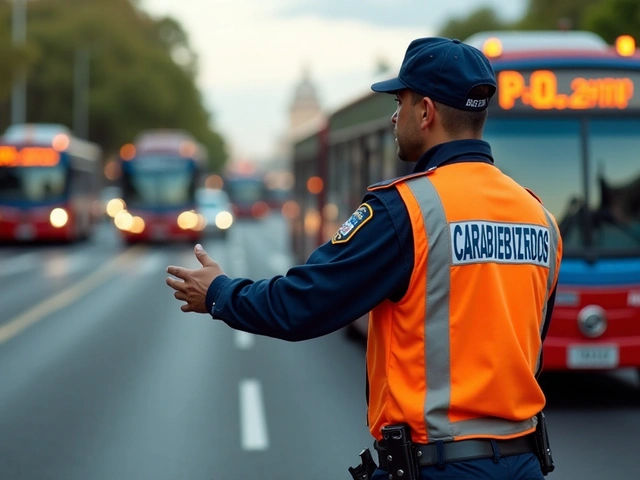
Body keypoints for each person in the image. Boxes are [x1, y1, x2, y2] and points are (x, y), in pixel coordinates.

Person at [166, 36, 563, 480]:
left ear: (426, 112)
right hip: (524, 463)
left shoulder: (406, 210)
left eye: (401, 101)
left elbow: (305, 304)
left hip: (439, 466)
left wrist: (220, 293)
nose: (395, 116)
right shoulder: (539, 216)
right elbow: (530, 341)